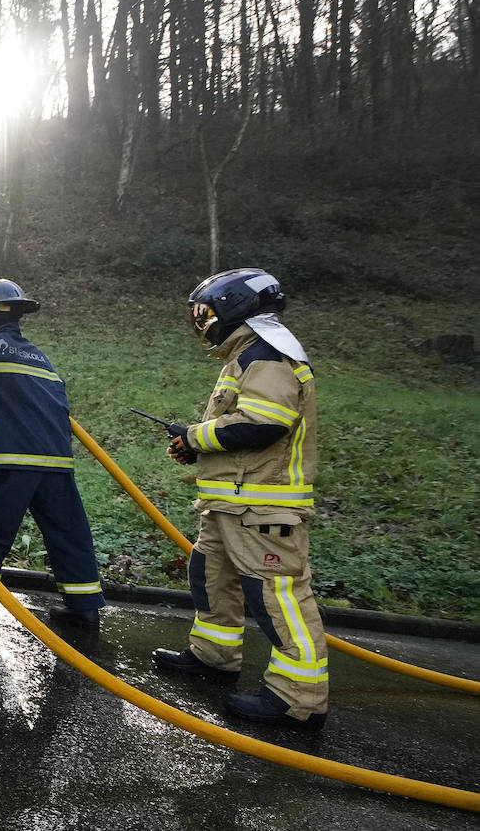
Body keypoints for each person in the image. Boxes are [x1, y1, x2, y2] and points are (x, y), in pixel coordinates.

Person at [152, 268, 327, 730]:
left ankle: (299, 699)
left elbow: (264, 423)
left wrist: (194, 436)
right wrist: (195, 445)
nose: (201, 321)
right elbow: (242, 430)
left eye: (205, 312)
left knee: (277, 600)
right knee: (210, 576)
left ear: (232, 307)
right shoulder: (247, 354)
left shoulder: (267, 354)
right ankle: (213, 656)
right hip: (232, 504)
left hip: (263, 507)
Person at [0, 279, 106, 628]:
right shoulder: (41, 357)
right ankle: (84, 605)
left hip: (11, 458)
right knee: (68, 533)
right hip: (57, 459)